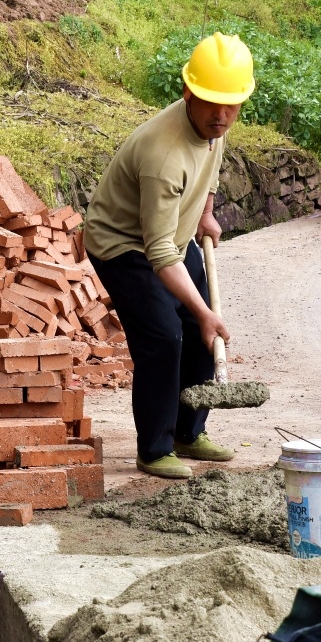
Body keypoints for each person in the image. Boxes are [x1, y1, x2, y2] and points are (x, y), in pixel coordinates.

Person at [82, 32, 255, 480]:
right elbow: (158, 254)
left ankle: (187, 432)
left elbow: (211, 166)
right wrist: (200, 312)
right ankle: (154, 449)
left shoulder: (215, 127)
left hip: (171, 238)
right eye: (211, 103)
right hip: (124, 244)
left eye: (231, 105)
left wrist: (206, 212)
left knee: (202, 328)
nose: (221, 116)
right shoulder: (164, 155)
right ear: (187, 92)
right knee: (166, 336)